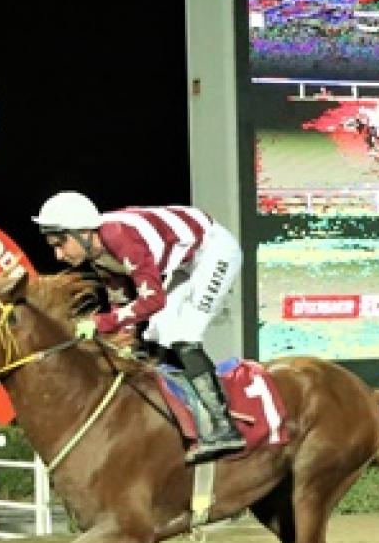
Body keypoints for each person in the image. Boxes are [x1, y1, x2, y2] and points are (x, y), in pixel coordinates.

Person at [32, 191, 247, 465]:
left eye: (60, 243)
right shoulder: (98, 253)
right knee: (156, 332)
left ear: (83, 231)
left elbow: (152, 300)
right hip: (185, 262)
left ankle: (224, 426)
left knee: (183, 334)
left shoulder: (121, 238)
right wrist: (114, 334)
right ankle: (183, 414)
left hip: (214, 251)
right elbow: (121, 305)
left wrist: (99, 323)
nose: (58, 255)